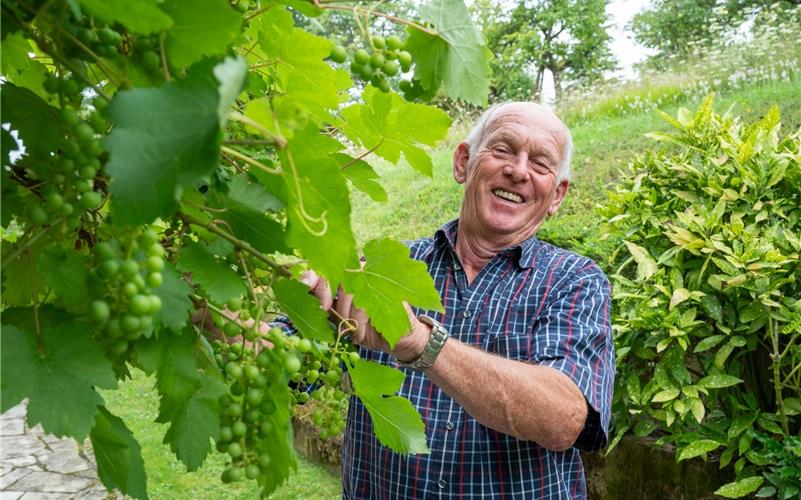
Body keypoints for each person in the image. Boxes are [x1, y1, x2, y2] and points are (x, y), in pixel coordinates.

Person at [302, 102, 615, 499]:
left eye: (540, 163)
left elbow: (564, 418)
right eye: (502, 149)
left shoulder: (575, 281)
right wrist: (219, 312)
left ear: (557, 195)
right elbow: (285, 358)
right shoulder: (384, 268)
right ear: (463, 162)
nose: (518, 171)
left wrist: (420, 342)